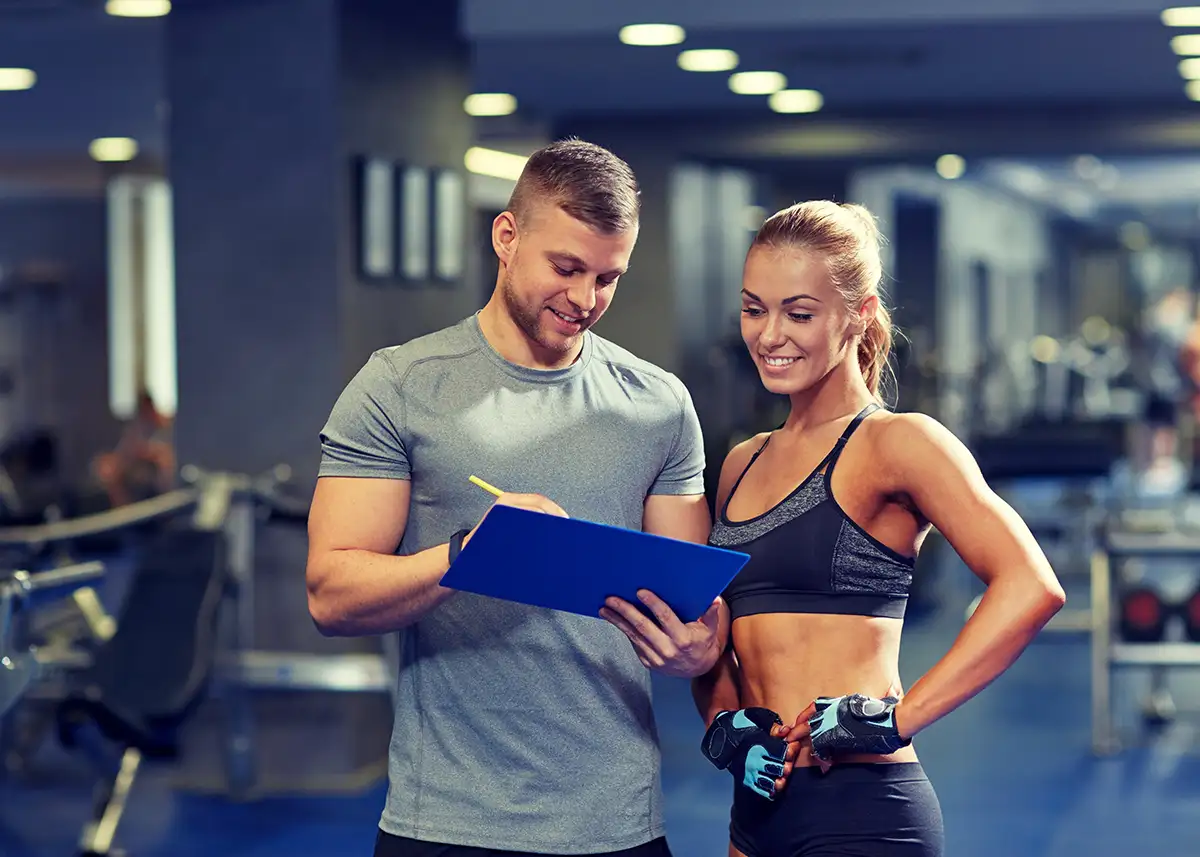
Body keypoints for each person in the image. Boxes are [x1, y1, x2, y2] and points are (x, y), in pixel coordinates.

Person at [306, 138, 725, 857]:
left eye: (607, 277)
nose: (585, 299)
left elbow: (692, 606)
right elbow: (331, 593)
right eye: (565, 268)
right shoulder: (399, 387)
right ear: (507, 237)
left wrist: (699, 645)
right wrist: (472, 554)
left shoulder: (658, 404)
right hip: (445, 818)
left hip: (615, 821)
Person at [692, 200, 1067, 857]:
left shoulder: (899, 443)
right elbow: (714, 635)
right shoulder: (741, 463)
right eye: (755, 309)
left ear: (859, 313)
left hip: (863, 811)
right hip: (753, 817)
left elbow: (1031, 586)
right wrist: (724, 722)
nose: (770, 334)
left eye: (799, 313)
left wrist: (899, 718)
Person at [92, 389, 175, 508]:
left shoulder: (164, 425)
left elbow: (163, 452)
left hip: (156, 470)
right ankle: (124, 512)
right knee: (108, 471)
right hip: (137, 466)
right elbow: (126, 449)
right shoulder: (138, 426)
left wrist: (148, 452)